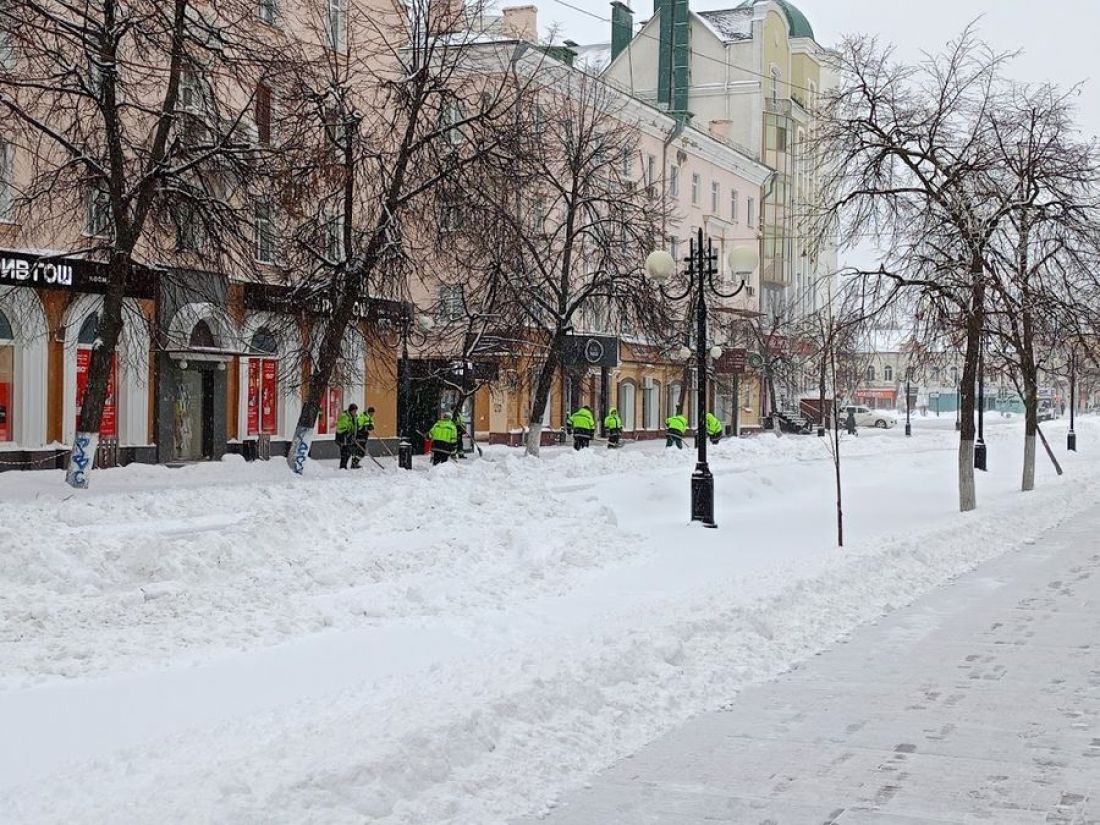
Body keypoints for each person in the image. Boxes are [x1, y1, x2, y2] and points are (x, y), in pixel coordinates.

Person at [336, 403, 365, 469]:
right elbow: (341, 428)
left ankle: (353, 464)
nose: (355, 412)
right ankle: (343, 467)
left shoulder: (354, 418)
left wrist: (362, 430)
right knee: (345, 453)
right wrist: (349, 434)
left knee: (360, 451)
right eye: (354, 411)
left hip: (351, 439)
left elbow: (356, 427)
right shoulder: (345, 417)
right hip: (343, 439)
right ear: (350, 410)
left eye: (356, 411)